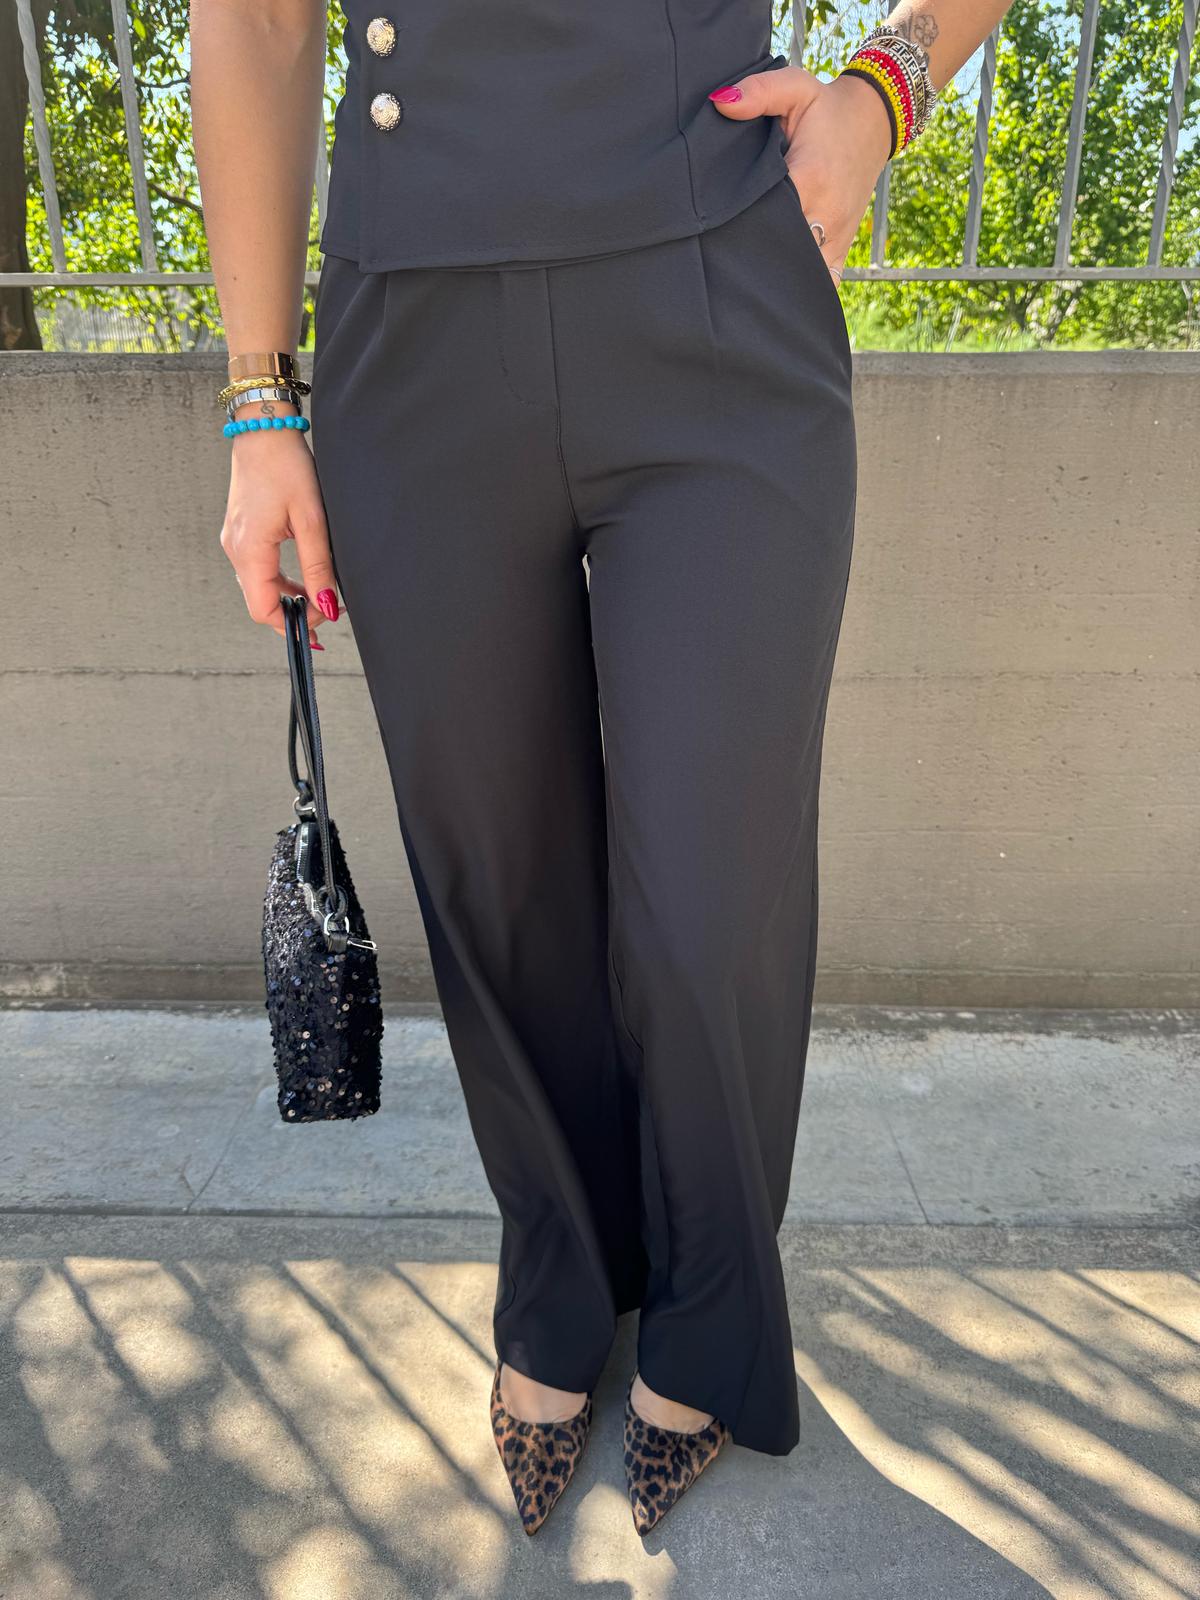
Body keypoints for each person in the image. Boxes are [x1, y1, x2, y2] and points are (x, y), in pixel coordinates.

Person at [193, 0, 1012, 1538]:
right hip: (412, 343)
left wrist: (883, 89)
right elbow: (252, 15)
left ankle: (709, 1310)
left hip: (717, 306)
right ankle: (564, 1278)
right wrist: (257, 398)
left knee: (710, 898)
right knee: (499, 876)